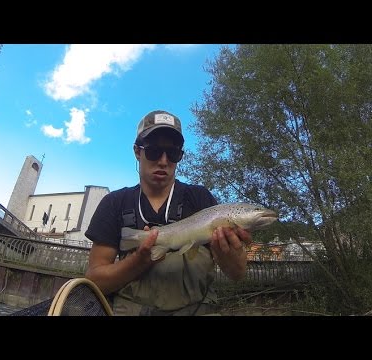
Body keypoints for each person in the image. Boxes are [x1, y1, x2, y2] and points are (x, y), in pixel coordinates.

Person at [84, 110, 252, 316]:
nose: (163, 161)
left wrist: (230, 255)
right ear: (137, 151)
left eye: (173, 153)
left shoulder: (200, 198)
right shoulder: (114, 203)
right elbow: (94, 281)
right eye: (154, 151)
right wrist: (139, 262)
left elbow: (237, 274)